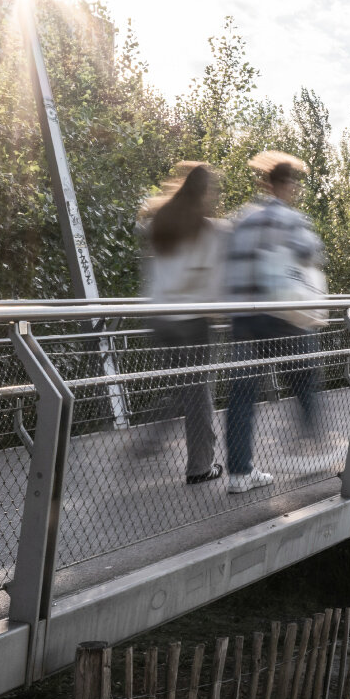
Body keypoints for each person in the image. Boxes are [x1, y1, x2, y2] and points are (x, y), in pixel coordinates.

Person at [223, 150, 327, 493]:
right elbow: (311, 253)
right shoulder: (291, 218)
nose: (294, 190)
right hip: (280, 315)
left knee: (241, 393)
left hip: (242, 318)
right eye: (293, 184)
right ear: (286, 185)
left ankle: (239, 473)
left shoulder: (242, 218)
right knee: (305, 375)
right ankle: (310, 446)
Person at [137, 162, 225, 484]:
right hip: (191, 320)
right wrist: (218, 310)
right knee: (197, 392)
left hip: (159, 318)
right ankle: (201, 467)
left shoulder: (160, 221)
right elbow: (211, 280)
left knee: (182, 387)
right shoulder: (205, 229)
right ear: (204, 193)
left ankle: (148, 438)